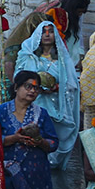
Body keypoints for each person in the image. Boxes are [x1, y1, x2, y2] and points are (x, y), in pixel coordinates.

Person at [0, 70, 59, 189]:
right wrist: (14, 138)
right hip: (9, 175)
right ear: (16, 87)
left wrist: (40, 141)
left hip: (36, 176)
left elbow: (54, 143)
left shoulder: (42, 114)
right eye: (28, 86)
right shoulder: (1, 112)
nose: (32, 91)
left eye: (36, 88)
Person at [15, 21, 81, 170]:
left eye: (50, 31)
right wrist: (34, 87)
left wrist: (55, 87)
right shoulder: (29, 57)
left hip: (56, 104)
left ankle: (50, 161)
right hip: (33, 101)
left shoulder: (62, 59)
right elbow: (18, 77)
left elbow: (72, 84)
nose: (47, 34)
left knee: (53, 134)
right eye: (43, 31)